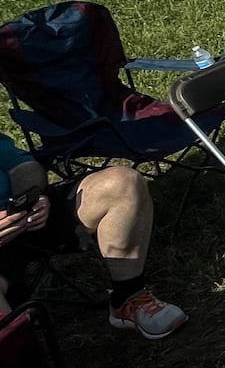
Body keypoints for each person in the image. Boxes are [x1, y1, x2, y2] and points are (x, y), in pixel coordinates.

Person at [0, 134, 187, 340]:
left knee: (123, 184)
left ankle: (129, 297)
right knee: (12, 343)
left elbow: (23, 167)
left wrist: (31, 196)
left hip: (26, 216)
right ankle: (18, 351)